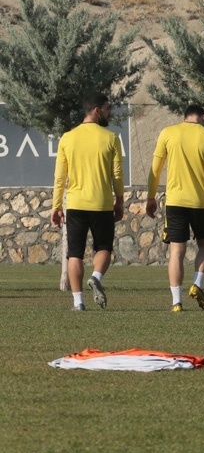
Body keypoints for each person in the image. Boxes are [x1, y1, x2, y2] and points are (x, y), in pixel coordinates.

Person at [146, 104, 204, 312]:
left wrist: (150, 197)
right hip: (200, 203)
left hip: (175, 202)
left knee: (176, 251)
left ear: (184, 119)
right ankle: (197, 285)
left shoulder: (168, 133)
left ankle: (176, 302)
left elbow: (155, 169)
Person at [50, 93, 125, 311]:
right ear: (96, 111)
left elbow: (59, 177)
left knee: (74, 253)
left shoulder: (67, 138)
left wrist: (56, 206)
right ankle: (96, 276)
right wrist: (119, 201)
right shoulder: (111, 138)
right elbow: (117, 174)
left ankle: (78, 303)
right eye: (107, 108)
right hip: (101, 203)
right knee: (103, 248)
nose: (109, 112)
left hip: (75, 204)